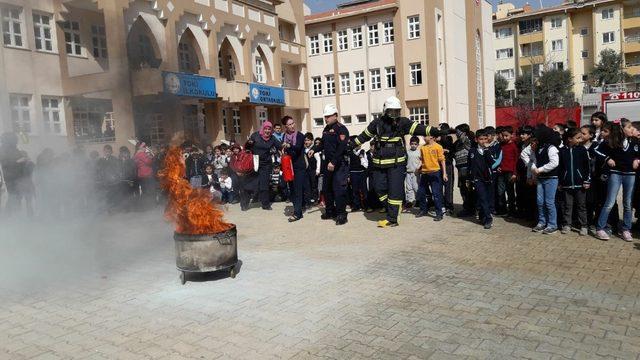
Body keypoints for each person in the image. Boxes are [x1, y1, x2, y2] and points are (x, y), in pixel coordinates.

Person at [351, 96, 442, 228]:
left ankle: (392, 219)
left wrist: (436, 131)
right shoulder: (376, 123)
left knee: (394, 190)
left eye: (396, 112)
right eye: (391, 112)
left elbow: (419, 128)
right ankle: (393, 209)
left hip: (396, 163)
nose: (394, 115)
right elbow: (364, 136)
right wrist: (350, 145)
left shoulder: (403, 123)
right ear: (385, 110)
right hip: (379, 163)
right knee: (379, 188)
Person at [593, 119, 638, 241]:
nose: (632, 129)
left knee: (628, 203)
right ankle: (600, 228)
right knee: (610, 202)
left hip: (630, 174)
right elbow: (596, 150)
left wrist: (637, 159)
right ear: (622, 129)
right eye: (629, 127)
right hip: (615, 174)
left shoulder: (634, 141)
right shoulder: (612, 141)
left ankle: (626, 229)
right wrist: (607, 159)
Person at [308, 104, 350, 225]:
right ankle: (330, 211)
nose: (326, 119)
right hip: (328, 164)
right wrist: (314, 149)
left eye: (328, 116)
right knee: (327, 189)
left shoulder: (341, 129)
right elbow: (323, 144)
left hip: (338, 164)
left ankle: (342, 214)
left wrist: (334, 161)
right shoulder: (326, 129)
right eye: (325, 116)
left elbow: (341, 148)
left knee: (339, 190)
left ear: (335, 116)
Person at [558, 128, 590, 236]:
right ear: (569, 139)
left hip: (580, 184)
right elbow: (560, 168)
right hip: (566, 185)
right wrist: (560, 182)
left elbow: (587, 167)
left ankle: (584, 226)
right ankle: (567, 224)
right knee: (567, 205)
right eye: (578, 138)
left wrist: (586, 180)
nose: (580, 140)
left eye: (581, 137)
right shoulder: (562, 151)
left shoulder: (582, 150)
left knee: (581, 206)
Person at [531, 126, 561, 235]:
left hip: (551, 179)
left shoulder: (551, 148)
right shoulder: (538, 148)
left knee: (549, 202)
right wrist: (534, 168)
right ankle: (542, 222)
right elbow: (534, 160)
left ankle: (552, 224)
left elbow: (554, 163)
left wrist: (541, 169)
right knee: (540, 202)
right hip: (541, 178)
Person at [248, 121, 282, 210]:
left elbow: (280, 146)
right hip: (254, 162)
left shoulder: (272, 138)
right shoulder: (255, 135)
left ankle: (265, 204)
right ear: (263, 128)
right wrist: (249, 143)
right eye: (266, 128)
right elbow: (247, 147)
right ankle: (250, 199)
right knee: (252, 182)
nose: (267, 131)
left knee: (264, 184)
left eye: (269, 129)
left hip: (266, 164)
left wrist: (285, 146)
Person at [416, 132, 447, 221]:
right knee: (421, 192)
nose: (424, 137)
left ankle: (439, 213)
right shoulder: (422, 147)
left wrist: (444, 173)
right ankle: (423, 210)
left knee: (436, 193)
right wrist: (418, 169)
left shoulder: (438, 147)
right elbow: (422, 160)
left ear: (432, 137)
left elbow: (442, 160)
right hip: (424, 173)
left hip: (435, 172)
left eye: (425, 136)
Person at [468, 129, 494, 229]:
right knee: (482, 198)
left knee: (486, 199)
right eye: (481, 139)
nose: (483, 141)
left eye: (485, 139)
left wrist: (487, 150)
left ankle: (483, 216)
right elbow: (469, 165)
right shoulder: (472, 151)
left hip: (487, 178)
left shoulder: (489, 150)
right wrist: (469, 178)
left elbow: (491, 162)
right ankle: (488, 218)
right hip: (477, 179)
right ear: (476, 139)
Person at [281, 115, 307, 222]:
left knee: (297, 190)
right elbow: (284, 149)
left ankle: (298, 213)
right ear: (285, 127)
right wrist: (283, 149)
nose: (292, 126)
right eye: (289, 124)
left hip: (299, 166)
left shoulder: (300, 135)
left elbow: (297, 149)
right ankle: (299, 207)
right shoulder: (284, 136)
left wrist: (289, 146)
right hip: (289, 167)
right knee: (291, 189)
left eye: (293, 123)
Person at [496, 126, 518, 216]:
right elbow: (499, 158)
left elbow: (516, 160)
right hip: (501, 171)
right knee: (500, 191)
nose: (505, 137)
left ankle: (512, 211)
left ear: (511, 135)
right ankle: (503, 210)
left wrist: (515, 173)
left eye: (507, 136)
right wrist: (498, 166)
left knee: (510, 192)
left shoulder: (514, 146)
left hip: (510, 172)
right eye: (503, 135)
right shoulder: (501, 145)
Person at [453, 124, 474, 217]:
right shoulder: (457, 143)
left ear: (464, 133)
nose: (456, 134)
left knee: (468, 189)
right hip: (460, 168)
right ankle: (467, 207)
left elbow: (463, 138)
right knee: (462, 189)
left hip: (467, 168)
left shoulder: (467, 141)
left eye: (458, 132)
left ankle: (470, 209)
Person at [96, 144, 121, 213]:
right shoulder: (100, 160)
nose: (107, 153)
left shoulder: (114, 159)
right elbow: (98, 170)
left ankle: (113, 209)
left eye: (108, 151)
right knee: (105, 196)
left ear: (111, 152)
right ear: (103, 151)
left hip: (113, 182)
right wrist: (99, 179)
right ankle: (107, 209)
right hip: (104, 181)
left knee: (113, 195)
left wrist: (116, 176)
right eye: (106, 151)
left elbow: (118, 169)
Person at [348, 135, 369, 212]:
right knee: (354, 190)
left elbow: (366, 165)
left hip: (361, 173)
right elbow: (348, 164)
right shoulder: (350, 153)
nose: (359, 145)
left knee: (364, 190)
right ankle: (356, 205)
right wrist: (348, 175)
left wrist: (361, 159)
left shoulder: (362, 152)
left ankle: (366, 205)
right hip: (353, 173)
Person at [439, 123, 455, 215]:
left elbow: (449, 149)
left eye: (440, 128)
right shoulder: (437, 139)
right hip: (439, 165)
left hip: (448, 165)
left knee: (448, 187)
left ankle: (449, 206)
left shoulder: (448, 139)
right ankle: (442, 205)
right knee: (439, 187)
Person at [133, 141, 155, 209]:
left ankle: (145, 205)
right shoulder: (141, 154)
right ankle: (149, 205)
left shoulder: (136, 154)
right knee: (149, 190)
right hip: (146, 174)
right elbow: (149, 162)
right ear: (140, 147)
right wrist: (151, 156)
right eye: (144, 146)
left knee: (145, 190)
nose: (145, 148)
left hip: (141, 174)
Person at [118, 146, 137, 212]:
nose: (123, 154)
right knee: (124, 194)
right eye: (122, 153)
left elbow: (134, 170)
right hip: (122, 180)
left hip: (130, 180)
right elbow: (118, 170)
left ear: (127, 153)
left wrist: (132, 180)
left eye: (125, 153)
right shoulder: (119, 161)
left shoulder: (131, 161)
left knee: (130, 193)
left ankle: (132, 206)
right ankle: (126, 208)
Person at [404, 136, 421, 209]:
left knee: (416, 187)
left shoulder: (419, 152)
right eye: (412, 144)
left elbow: (421, 161)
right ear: (410, 144)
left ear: (418, 145)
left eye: (415, 144)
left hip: (415, 173)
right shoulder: (407, 152)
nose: (413, 145)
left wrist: (418, 167)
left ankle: (418, 200)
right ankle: (410, 201)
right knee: (408, 187)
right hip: (408, 172)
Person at [303, 133, 319, 206]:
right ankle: (308, 200)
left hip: (313, 170)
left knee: (314, 185)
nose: (307, 142)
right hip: (306, 171)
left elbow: (318, 160)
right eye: (305, 140)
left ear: (312, 141)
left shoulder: (314, 149)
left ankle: (315, 199)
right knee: (307, 185)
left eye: (308, 140)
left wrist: (317, 170)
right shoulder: (304, 149)